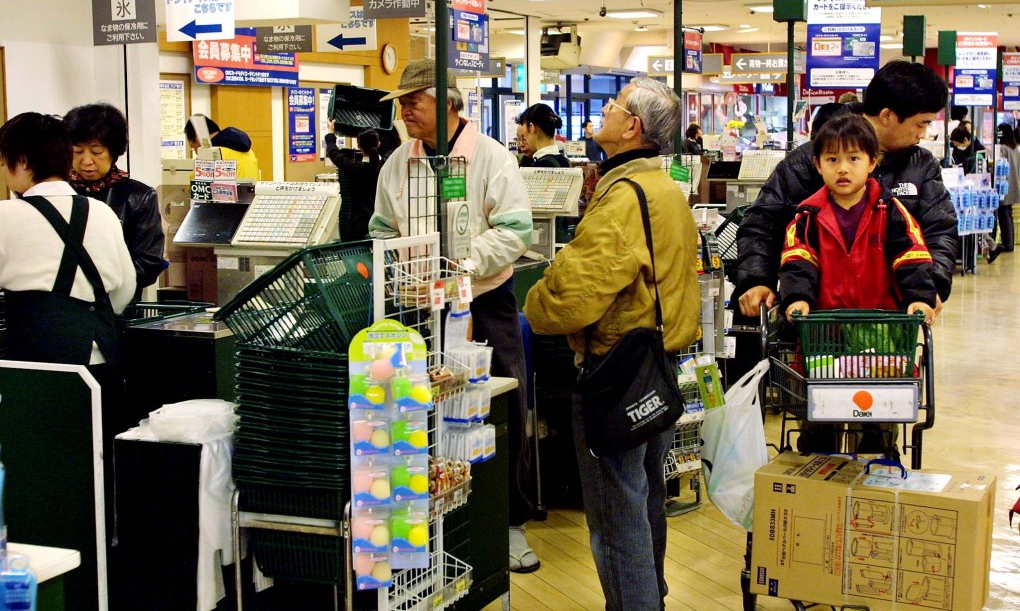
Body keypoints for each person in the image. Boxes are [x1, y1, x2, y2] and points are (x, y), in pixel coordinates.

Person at [524, 77, 700, 611]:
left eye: (614, 105)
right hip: (657, 365)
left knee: (615, 516)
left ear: (632, 128)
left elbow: (571, 296)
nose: (604, 109)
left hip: (614, 372)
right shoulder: (663, 188)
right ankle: (652, 598)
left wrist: (533, 304)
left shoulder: (624, 198)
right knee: (644, 500)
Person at [369, 59, 538, 573]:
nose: (404, 113)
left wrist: (460, 265)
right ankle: (435, 524)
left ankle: (509, 522)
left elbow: (515, 231)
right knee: (422, 414)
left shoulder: (490, 158)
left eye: (413, 102)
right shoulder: (397, 163)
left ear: (447, 103)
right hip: (417, 308)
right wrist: (401, 269)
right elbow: (380, 229)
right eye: (401, 104)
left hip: (484, 303)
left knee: (499, 408)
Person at [0, 112, 136, 541]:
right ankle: (104, 556)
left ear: (23, 161)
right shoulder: (102, 213)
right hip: (102, 362)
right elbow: (124, 290)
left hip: (36, 364)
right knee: (97, 469)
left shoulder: (6, 217)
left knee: (42, 476)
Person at [736, 60, 958, 320]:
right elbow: (763, 224)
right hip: (813, 320)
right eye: (921, 124)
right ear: (887, 116)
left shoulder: (921, 166)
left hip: (892, 321)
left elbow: (940, 230)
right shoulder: (805, 163)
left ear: (871, 163)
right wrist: (757, 279)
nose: (923, 134)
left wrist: (928, 288)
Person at [780, 114, 936, 325]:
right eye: (832, 159)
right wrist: (797, 298)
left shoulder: (890, 211)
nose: (842, 169)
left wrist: (919, 298)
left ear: (872, 162)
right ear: (818, 164)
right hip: (823, 328)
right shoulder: (807, 217)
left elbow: (911, 256)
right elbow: (797, 261)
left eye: (853, 158)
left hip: (884, 326)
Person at [63, 103, 166, 296]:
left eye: (96, 152)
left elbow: (149, 262)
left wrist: (99, 284)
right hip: (63, 301)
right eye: (77, 151)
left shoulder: (139, 196)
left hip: (117, 303)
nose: (86, 161)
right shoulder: (58, 191)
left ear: (114, 151)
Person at [324, 124, 382, 241]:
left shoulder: (355, 168)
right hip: (380, 221)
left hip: (357, 224)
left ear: (358, 145)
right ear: (378, 144)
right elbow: (394, 145)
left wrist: (330, 132)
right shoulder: (385, 164)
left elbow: (334, 153)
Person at [184, 114, 260, 180]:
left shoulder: (210, 155)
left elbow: (194, 185)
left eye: (191, 143)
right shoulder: (247, 150)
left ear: (196, 137)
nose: (192, 147)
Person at [988, 123, 1020, 263]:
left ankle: (1007, 243)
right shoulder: (1015, 148)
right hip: (1013, 185)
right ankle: (1009, 241)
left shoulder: (1001, 148)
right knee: (1008, 213)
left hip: (1003, 186)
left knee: (1003, 214)